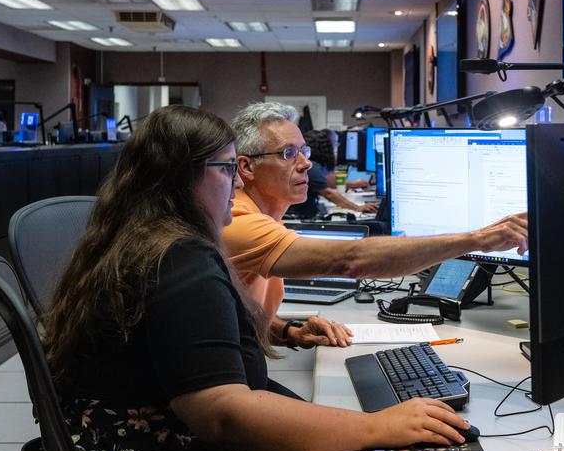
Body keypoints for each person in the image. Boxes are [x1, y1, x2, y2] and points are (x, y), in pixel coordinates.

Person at [42, 106, 470, 451]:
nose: (237, 182)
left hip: (114, 442)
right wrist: (377, 427)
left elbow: (187, 330)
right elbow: (223, 414)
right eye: (227, 168)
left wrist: (283, 330)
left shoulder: (146, 237)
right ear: (182, 176)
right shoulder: (181, 257)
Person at [224, 102, 528, 325]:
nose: (305, 164)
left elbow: (242, 320)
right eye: (288, 154)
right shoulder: (238, 221)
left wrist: (287, 332)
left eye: (304, 151)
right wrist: (477, 238)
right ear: (246, 167)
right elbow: (349, 261)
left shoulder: (262, 216)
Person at [284, 128, 378, 219]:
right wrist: (358, 208)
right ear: (325, 147)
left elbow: (327, 182)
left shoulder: (311, 165)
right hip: (298, 216)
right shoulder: (311, 166)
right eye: (335, 144)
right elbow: (329, 194)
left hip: (299, 213)